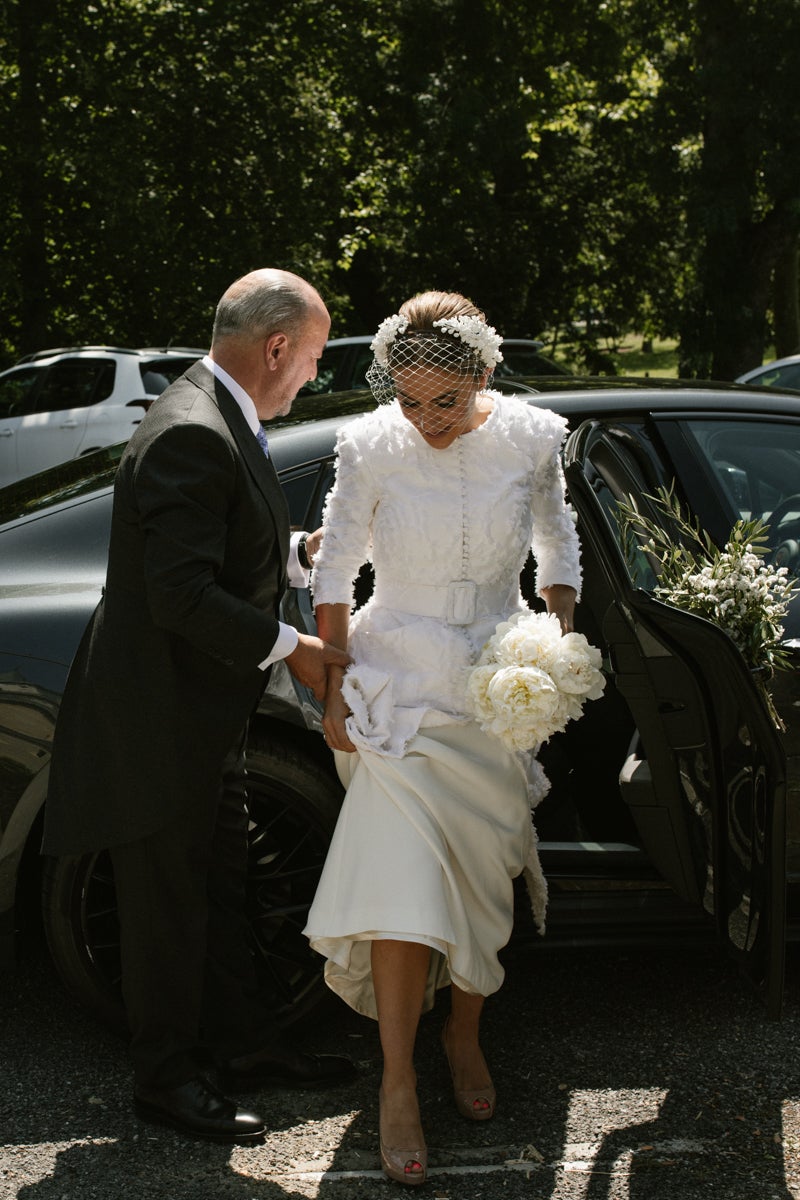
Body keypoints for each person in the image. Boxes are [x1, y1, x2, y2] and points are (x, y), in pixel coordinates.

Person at [43, 268, 356, 1144]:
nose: (313, 376)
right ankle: (166, 1082)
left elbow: (220, 541)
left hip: (199, 720)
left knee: (223, 884)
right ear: (277, 347)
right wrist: (298, 648)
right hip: (157, 724)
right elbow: (182, 595)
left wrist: (300, 549)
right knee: (167, 909)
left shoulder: (217, 411)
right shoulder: (191, 430)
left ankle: (246, 1046)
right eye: (315, 357)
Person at [303, 291, 582, 1185]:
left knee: (481, 882)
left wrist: (560, 646)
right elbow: (338, 563)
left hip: (497, 687)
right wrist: (334, 684)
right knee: (398, 880)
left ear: (484, 376)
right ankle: (394, 1081)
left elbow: (558, 546)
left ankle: (463, 1035)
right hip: (396, 687)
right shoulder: (369, 443)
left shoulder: (536, 438)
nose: (426, 421)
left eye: (447, 403)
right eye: (411, 400)